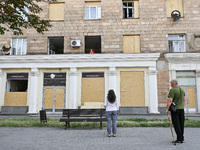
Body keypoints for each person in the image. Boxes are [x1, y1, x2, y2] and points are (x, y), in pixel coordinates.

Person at [166, 79, 186, 143]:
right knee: (181, 123)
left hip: (175, 109)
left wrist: (167, 109)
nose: (170, 85)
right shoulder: (182, 90)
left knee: (176, 124)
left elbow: (170, 100)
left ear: (173, 84)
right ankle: (181, 137)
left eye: (170, 83)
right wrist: (182, 106)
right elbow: (184, 99)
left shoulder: (172, 90)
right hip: (181, 109)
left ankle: (180, 138)